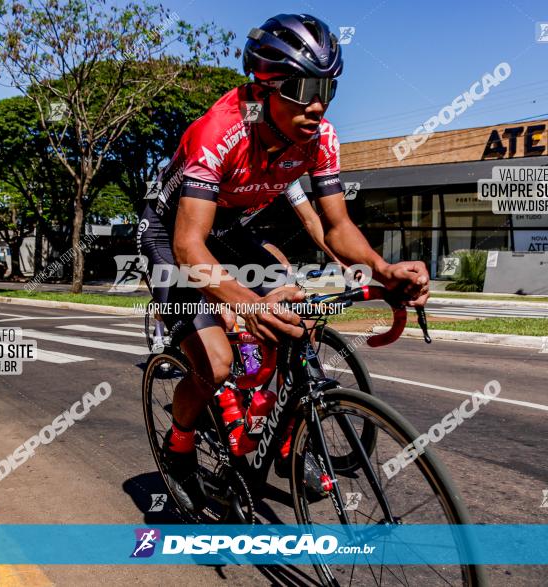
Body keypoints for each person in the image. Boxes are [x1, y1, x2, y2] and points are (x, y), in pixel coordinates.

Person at [137, 13, 430, 512]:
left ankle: (290, 440)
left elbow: (335, 227)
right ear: (263, 87)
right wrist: (249, 305)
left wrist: (385, 271)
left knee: (303, 321)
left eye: (327, 88)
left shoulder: (321, 138)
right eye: (301, 87)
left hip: (229, 231)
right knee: (217, 362)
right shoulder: (220, 131)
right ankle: (180, 446)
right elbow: (190, 248)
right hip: (173, 235)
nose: (317, 103)